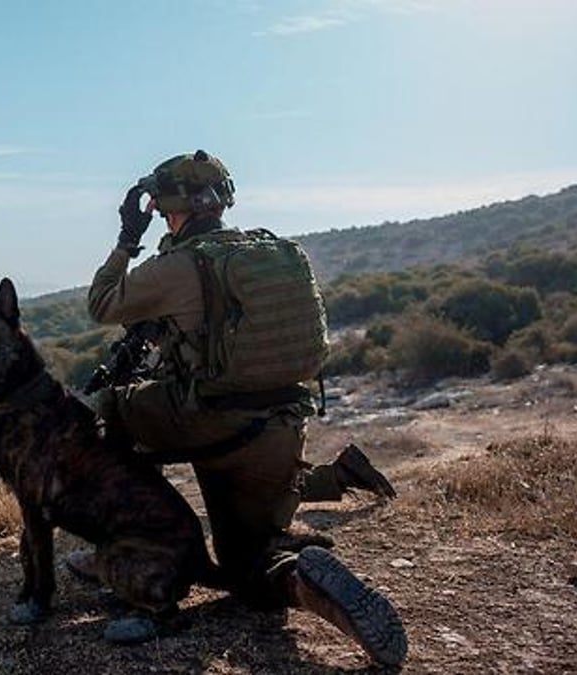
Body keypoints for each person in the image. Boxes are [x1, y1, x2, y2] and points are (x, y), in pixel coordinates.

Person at [77, 150, 407, 666]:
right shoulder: (268, 250)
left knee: (110, 409)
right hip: (280, 426)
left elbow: (101, 303)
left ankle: (135, 550)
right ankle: (305, 577)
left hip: (211, 421)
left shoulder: (178, 264)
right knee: (249, 563)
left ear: (167, 207)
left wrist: (127, 238)